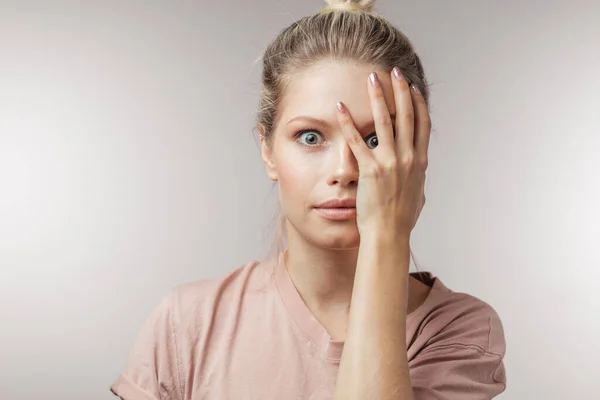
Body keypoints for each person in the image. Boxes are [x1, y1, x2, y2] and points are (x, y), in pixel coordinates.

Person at [110, 0, 507, 399]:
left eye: (374, 139)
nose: (345, 170)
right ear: (267, 149)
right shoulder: (187, 325)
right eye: (311, 137)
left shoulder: (461, 332)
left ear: (414, 155)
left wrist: (387, 235)